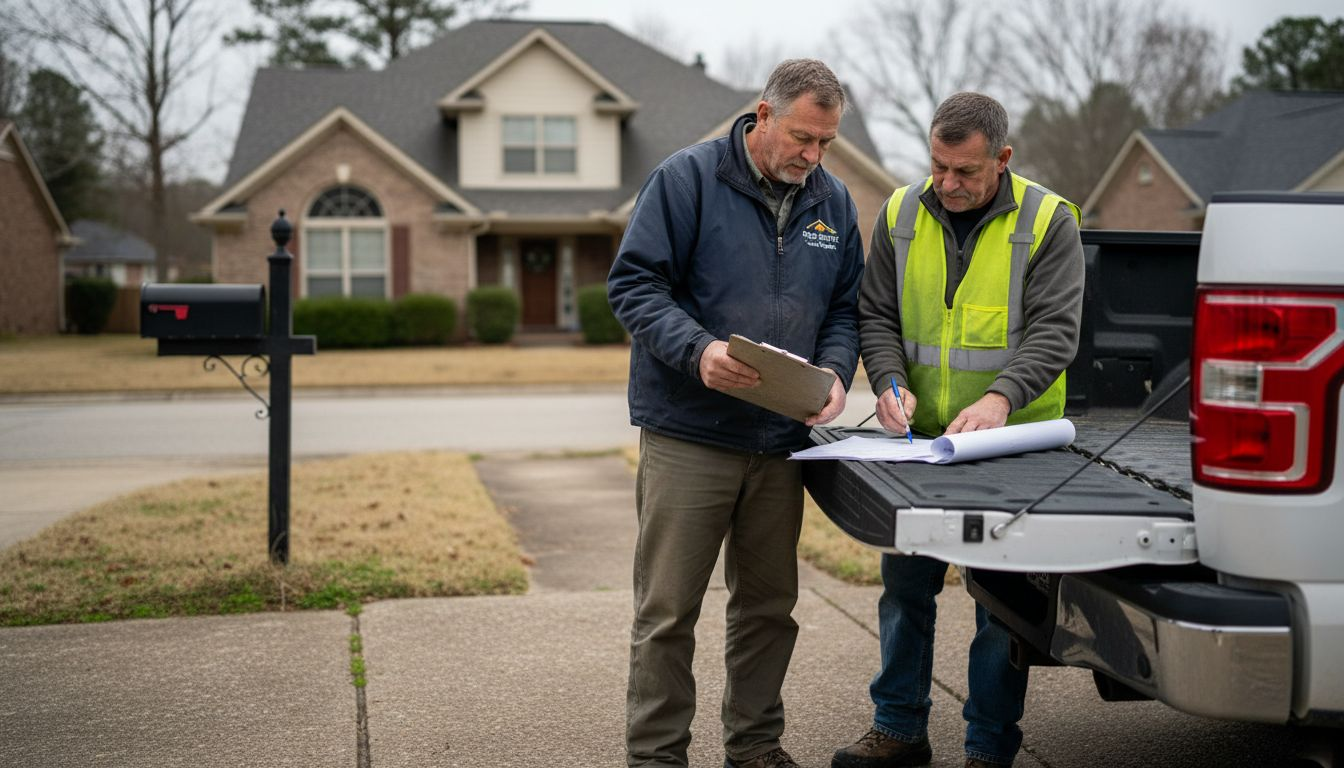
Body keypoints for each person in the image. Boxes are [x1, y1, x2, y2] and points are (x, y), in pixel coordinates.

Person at [607, 58, 866, 768]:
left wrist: (837, 375)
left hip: (783, 441)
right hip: (691, 433)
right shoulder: (686, 179)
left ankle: (755, 747)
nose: (812, 158)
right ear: (763, 114)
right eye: (803, 139)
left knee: (766, 609)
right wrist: (698, 351)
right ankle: (657, 755)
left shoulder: (833, 203)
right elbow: (634, 285)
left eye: (826, 144)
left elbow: (845, 307)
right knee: (668, 612)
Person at [832, 92, 1084, 768]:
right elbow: (877, 314)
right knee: (905, 590)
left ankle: (987, 749)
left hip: (1010, 445)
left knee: (999, 606)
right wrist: (886, 381)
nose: (947, 185)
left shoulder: (1048, 221)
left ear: (1002, 159)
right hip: (920, 444)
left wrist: (1002, 399)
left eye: (965, 172)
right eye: (938, 167)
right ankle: (898, 729)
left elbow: (1056, 333)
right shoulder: (898, 212)